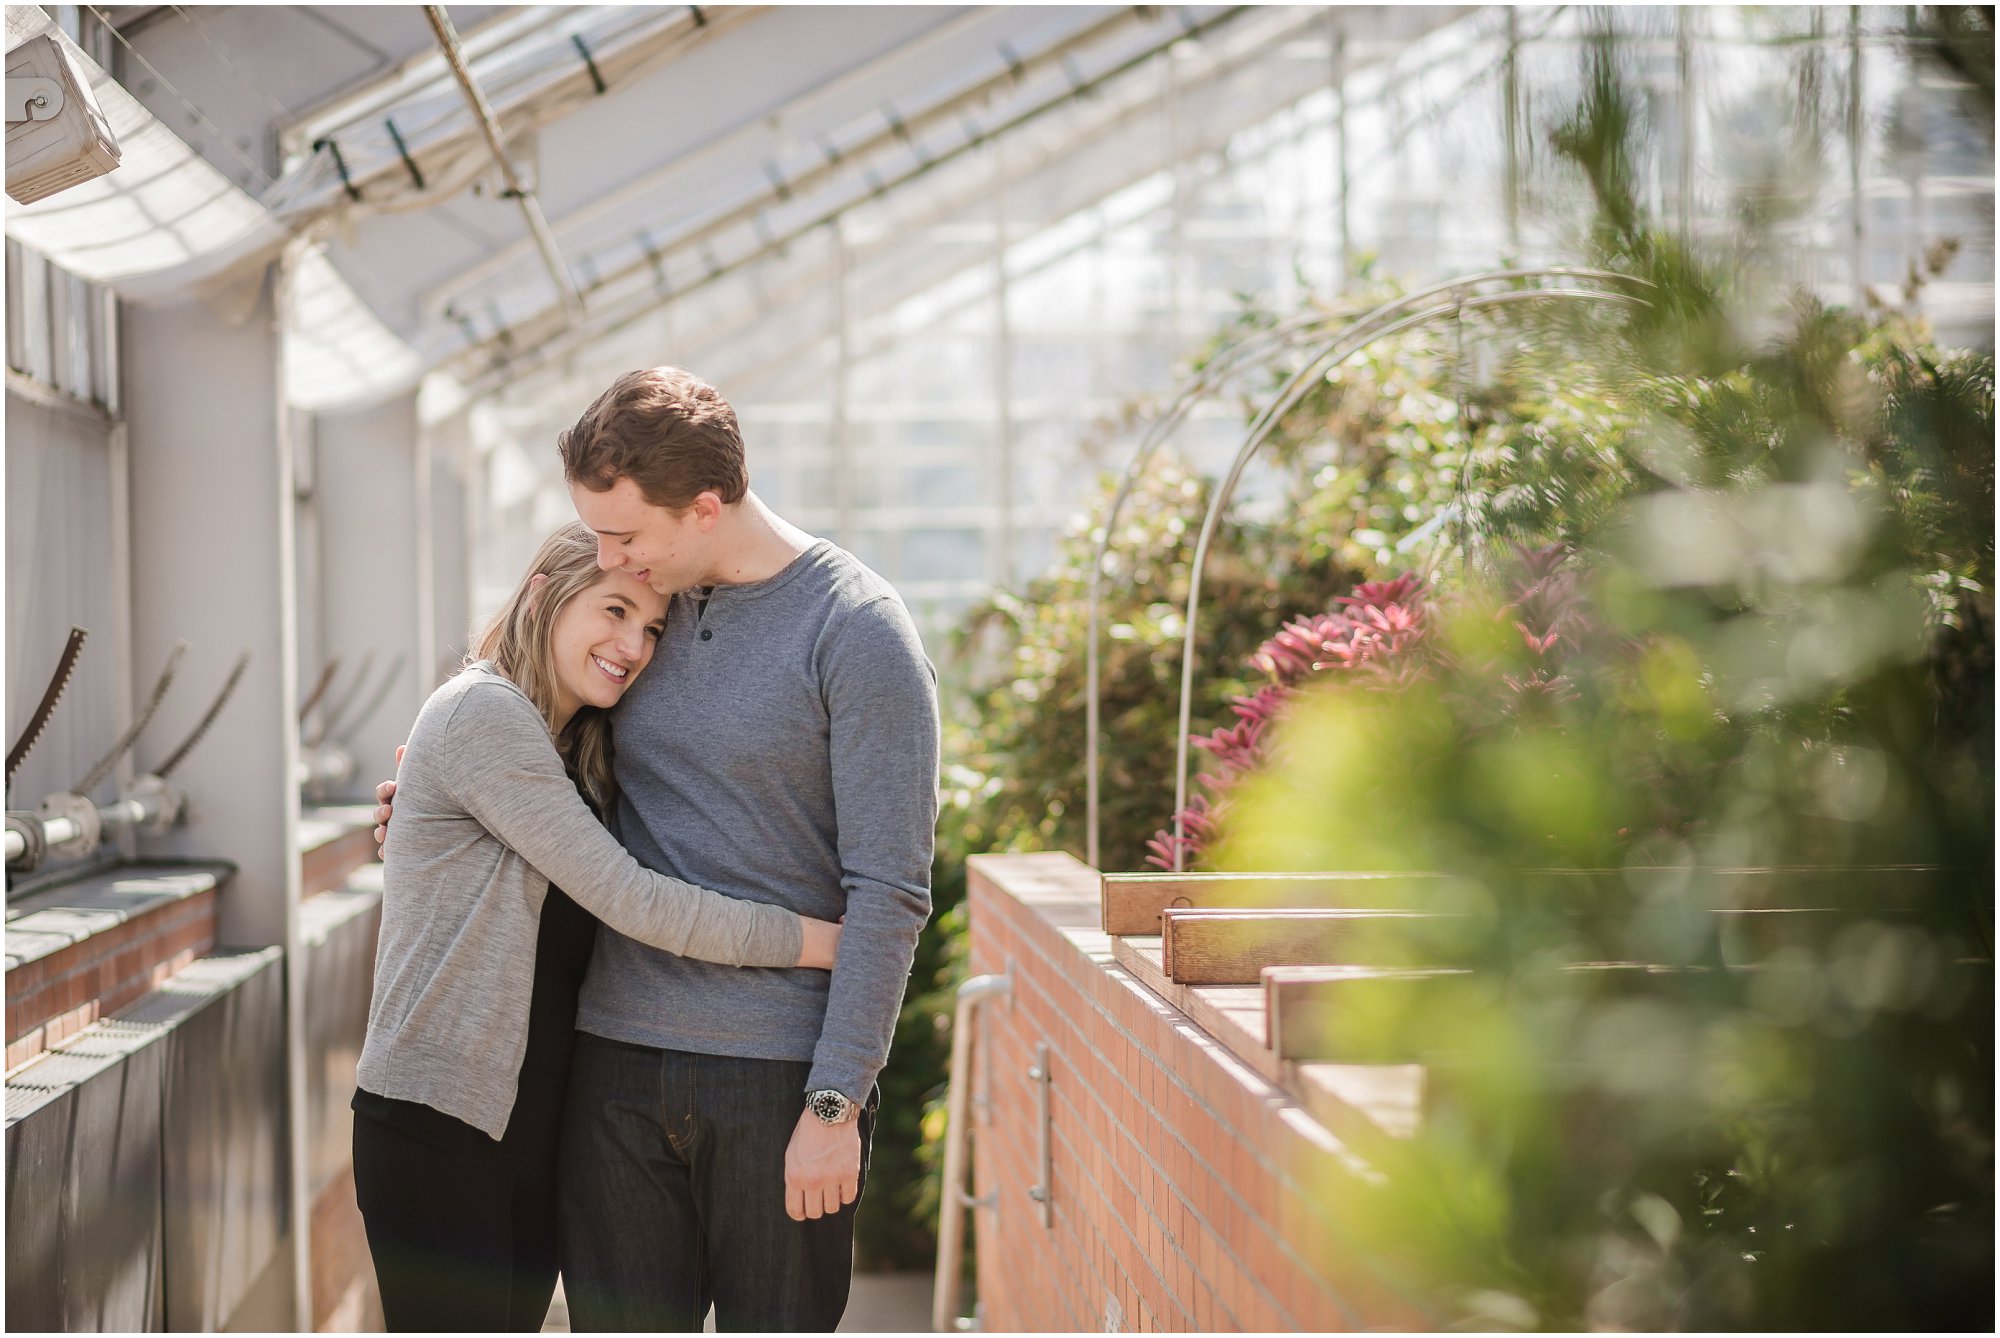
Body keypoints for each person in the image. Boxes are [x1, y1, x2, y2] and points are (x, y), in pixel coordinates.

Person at [383, 367, 939, 1330]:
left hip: (777, 1079)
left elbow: (889, 889)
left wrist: (838, 1103)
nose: (609, 558)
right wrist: (423, 802)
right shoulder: (647, 608)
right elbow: (557, 778)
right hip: (610, 1074)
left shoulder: (857, 631)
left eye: (626, 534)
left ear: (705, 509)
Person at [352, 521, 845, 1333]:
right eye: (613, 610)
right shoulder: (486, 714)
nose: (633, 644)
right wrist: (817, 941)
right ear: (545, 593)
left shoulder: (572, 747)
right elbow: (635, 899)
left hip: (526, 1127)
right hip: (439, 1121)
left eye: (651, 627)